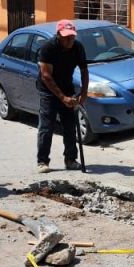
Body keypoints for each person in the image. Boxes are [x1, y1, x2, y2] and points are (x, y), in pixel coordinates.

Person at [37, 18, 88, 173]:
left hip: (67, 87)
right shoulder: (48, 48)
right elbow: (46, 75)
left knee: (70, 125)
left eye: (72, 36)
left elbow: (84, 70)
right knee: (47, 125)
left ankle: (71, 159)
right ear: (58, 34)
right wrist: (62, 97)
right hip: (48, 90)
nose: (69, 40)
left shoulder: (77, 47)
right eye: (66, 37)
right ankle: (42, 161)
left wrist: (83, 93)